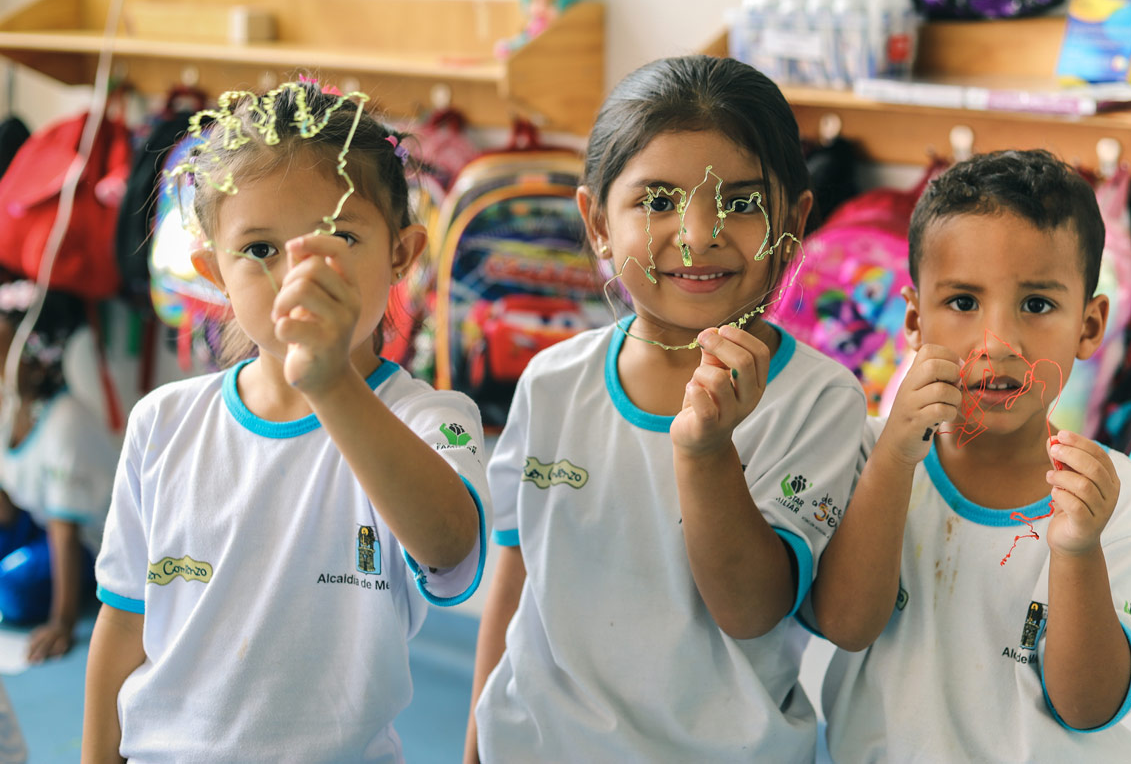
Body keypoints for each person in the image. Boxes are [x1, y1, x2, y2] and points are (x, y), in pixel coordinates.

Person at [468, 54, 867, 762]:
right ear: (596, 220)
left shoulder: (818, 401)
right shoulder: (553, 380)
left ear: (795, 222)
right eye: (656, 200)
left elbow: (750, 608)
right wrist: (477, 742)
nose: (698, 233)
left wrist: (707, 450)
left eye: (742, 203)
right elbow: (516, 570)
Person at [82, 82, 488, 763]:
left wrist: (331, 383)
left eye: (339, 237)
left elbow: (451, 550)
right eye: (261, 249)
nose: (300, 272)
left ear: (401, 254)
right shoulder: (164, 423)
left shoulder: (427, 419)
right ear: (214, 269)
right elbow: (124, 624)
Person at [813, 149, 1131, 762]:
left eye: (1037, 305)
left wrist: (1078, 548)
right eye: (962, 303)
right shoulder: (870, 454)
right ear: (914, 318)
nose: (998, 343)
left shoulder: (1114, 500)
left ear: (1088, 327)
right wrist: (896, 458)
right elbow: (846, 627)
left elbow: (1086, 706)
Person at [0, 283, 117, 663]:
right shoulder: (11, 407)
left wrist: (61, 623)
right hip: (38, 524)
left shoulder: (65, 422)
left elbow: (64, 532)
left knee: (12, 591)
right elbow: (7, 509)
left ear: (34, 361)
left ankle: (69, 597)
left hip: (85, 542)